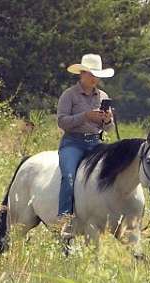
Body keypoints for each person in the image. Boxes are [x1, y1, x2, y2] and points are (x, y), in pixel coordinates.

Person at [56, 53, 115, 240]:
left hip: (95, 142)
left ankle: (107, 214)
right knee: (69, 177)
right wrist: (85, 116)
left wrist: (107, 120)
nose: (94, 78)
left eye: (96, 74)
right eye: (91, 74)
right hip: (73, 142)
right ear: (81, 74)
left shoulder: (103, 96)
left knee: (111, 174)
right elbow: (62, 122)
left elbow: (110, 128)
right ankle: (64, 220)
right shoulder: (69, 95)